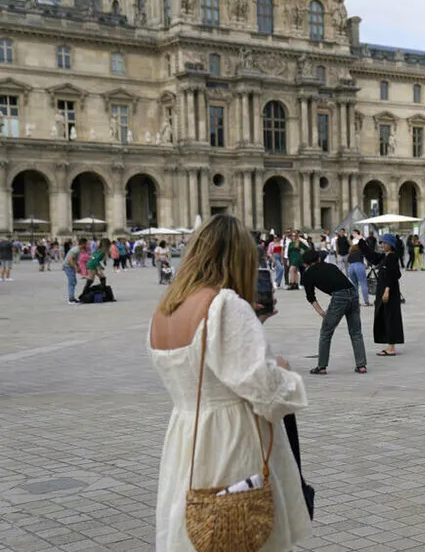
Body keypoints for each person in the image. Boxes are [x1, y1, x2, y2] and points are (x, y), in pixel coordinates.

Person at [147, 214, 311, 551]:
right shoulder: (225, 306)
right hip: (232, 439)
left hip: (186, 439)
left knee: (198, 533)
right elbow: (265, 389)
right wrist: (285, 372)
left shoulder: (165, 309)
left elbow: (207, 368)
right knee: (240, 533)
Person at [300, 249, 368, 375]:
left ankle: (322, 366)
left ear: (305, 264)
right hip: (353, 293)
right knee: (356, 332)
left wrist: (322, 313)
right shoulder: (331, 266)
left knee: (326, 331)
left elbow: (311, 297)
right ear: (318, 259)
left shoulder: (308, 274)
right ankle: (361, 365)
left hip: (339, 298)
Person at [359, 234, 404, 356]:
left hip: (389, 292)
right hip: (383, 290)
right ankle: (389, 344)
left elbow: (395, 274)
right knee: (384, 316)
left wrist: (387, 289)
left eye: (385, 243)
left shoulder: (392, 257)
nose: (382, 245)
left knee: (390, 316)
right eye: (381, 243)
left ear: (391, 244)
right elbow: (372, 258)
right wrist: (362, 243)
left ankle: (391, 347)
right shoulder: (385, 256)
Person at [63, 237, 87, 304]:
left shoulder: (77, 250)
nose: (87, 246)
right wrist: (76, 267)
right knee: (72, 282)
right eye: (86, 244)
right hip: (68, 267)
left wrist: (77, 266)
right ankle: (71, 299)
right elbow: (70, 260)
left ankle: (72, 298)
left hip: (69, 267)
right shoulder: (75, 250)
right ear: (83, 244)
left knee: (73, 282)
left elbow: (74, 260)